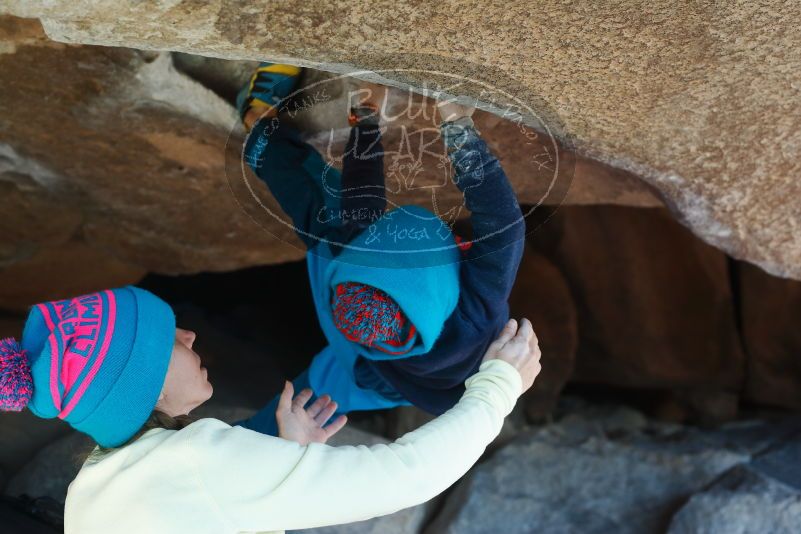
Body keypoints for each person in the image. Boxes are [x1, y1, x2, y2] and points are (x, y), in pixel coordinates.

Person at [0, 286, 542, 533]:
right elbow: (406, 474)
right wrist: (499, 386)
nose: (190, 334)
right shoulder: (198, 460)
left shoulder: (90, 492)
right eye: (171, 339)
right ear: (143, 387)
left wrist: (284, 459)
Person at [236, 63, 527, 436]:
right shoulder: (478, 308)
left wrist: (366, 117)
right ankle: (260, 128)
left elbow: (360, 200)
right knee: (320, 391)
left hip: (376, 365)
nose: (371, 227)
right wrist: (458, 129)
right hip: (391, 380)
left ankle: (258, 119)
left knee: (322, 216)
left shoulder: (347, 249)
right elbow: (503, 221)